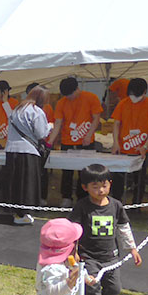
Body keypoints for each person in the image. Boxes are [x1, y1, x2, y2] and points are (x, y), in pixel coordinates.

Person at [69, 164, 141, 295]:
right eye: (95, 186)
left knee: (114, 288)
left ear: (110, 183)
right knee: (92, 288)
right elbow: (73, 230)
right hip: (89, 257)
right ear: (85, 187)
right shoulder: (82, 206)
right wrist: (73, 250)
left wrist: (132, 248)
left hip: (111, 257)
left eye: (104, 185)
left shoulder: (116, 206)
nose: (100, 190)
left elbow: (123, 227)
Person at [47, 77, 103, 207]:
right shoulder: (62, 102)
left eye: (71, 94)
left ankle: (82, 197)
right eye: (67, 95)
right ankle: (66, 197)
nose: (70, 97)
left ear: (77, 89)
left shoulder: (91, 98)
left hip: (86, 141)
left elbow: (96, 118)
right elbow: (58, 123)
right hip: (67, 141)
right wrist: (50, 141)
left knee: (85, 171)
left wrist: (89, 135)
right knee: (67, 171)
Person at [4, 85, 52, 225]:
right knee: (27, 185)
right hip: (28, 151)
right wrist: (50, 126)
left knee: (14, 183)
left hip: (12, 150)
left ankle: (15, 212)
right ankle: (24, 214)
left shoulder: (16, 109)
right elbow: (41, 133)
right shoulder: (37, 112)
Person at [110, 78, 148, 203]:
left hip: (141, 149)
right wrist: (116, 143)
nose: (134, 98)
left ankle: (137, 203)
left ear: (144, 91)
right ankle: (117, 201)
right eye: (132, 94)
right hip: (123, 147)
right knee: (118, 177)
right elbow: (116, 124)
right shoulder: (123, 103)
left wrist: (146, 145)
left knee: (139, 178)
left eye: (137, 95)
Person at [26, 82, 54, 204]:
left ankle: (41, 197)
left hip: (41, 145)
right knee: (36, 173)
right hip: (34, 144)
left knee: (42, 172)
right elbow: (41, 132)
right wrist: (49, 127)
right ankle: (36, 198)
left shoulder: (45, 108)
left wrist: (50, 141)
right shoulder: (34, 109)